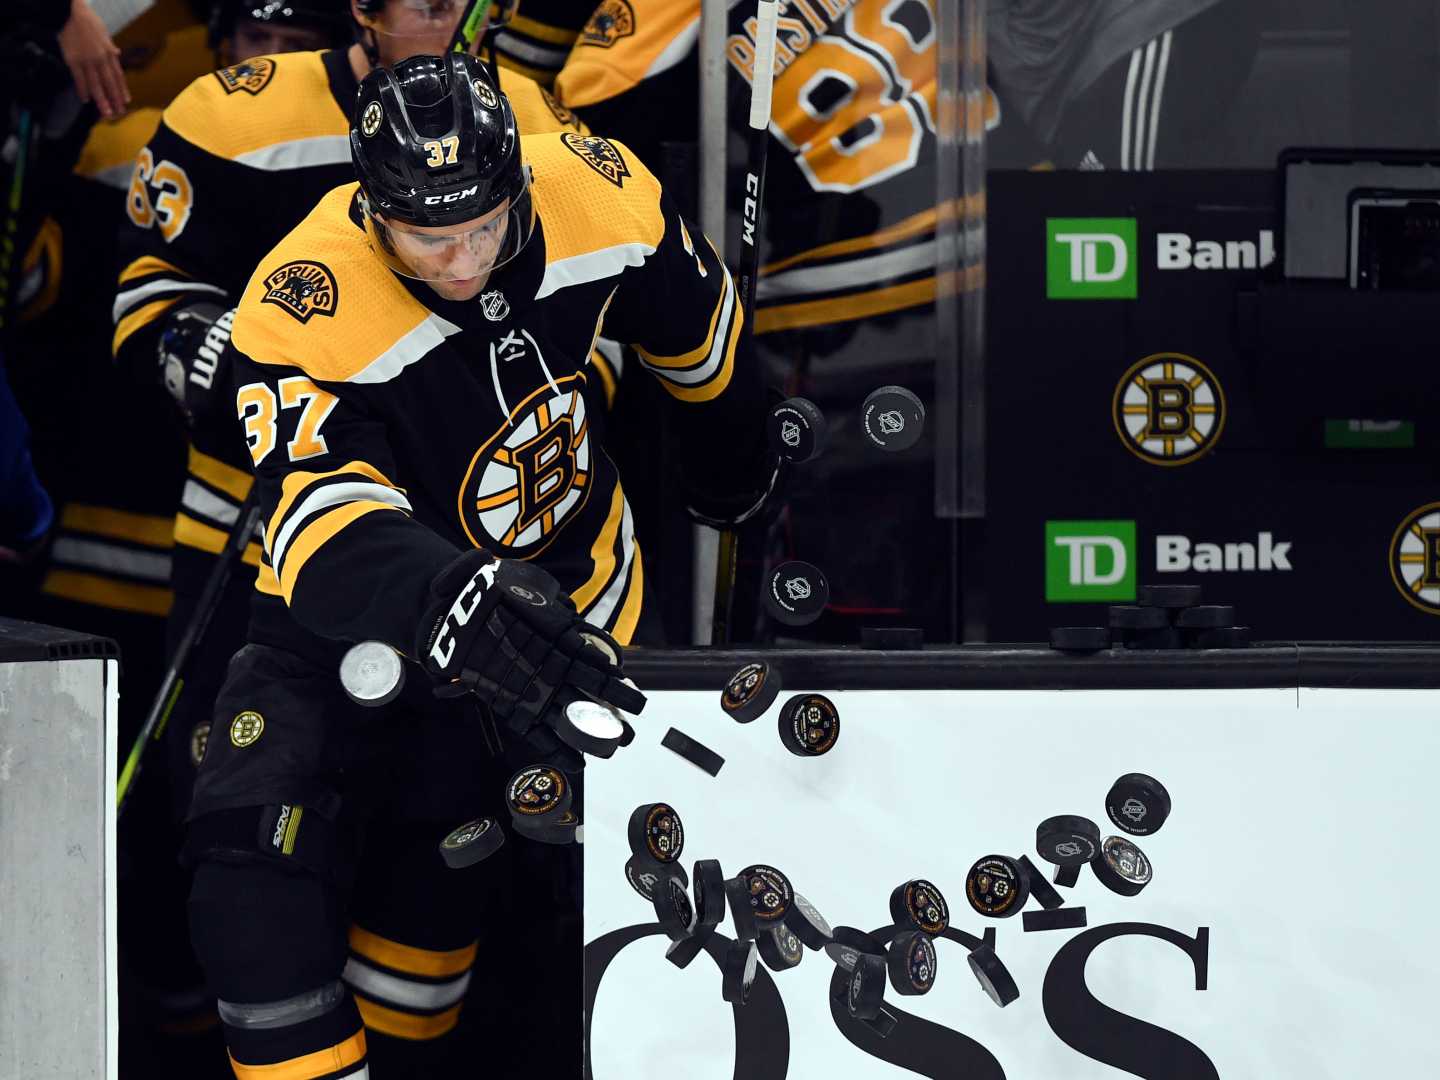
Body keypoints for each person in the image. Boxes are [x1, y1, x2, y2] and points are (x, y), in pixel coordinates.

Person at [184, 52, 771, 1076]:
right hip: (348, 627)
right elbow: (325, 531)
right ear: (371, 209)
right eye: (425, 235)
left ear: (520, 189)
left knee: (458, 942)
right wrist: (456, 594)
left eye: (481, 229)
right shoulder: (298, 302)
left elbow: (702, 335)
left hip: (570, 626)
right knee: (246, 888)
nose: (460, 263)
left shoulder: (598, 187)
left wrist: (734, 470)